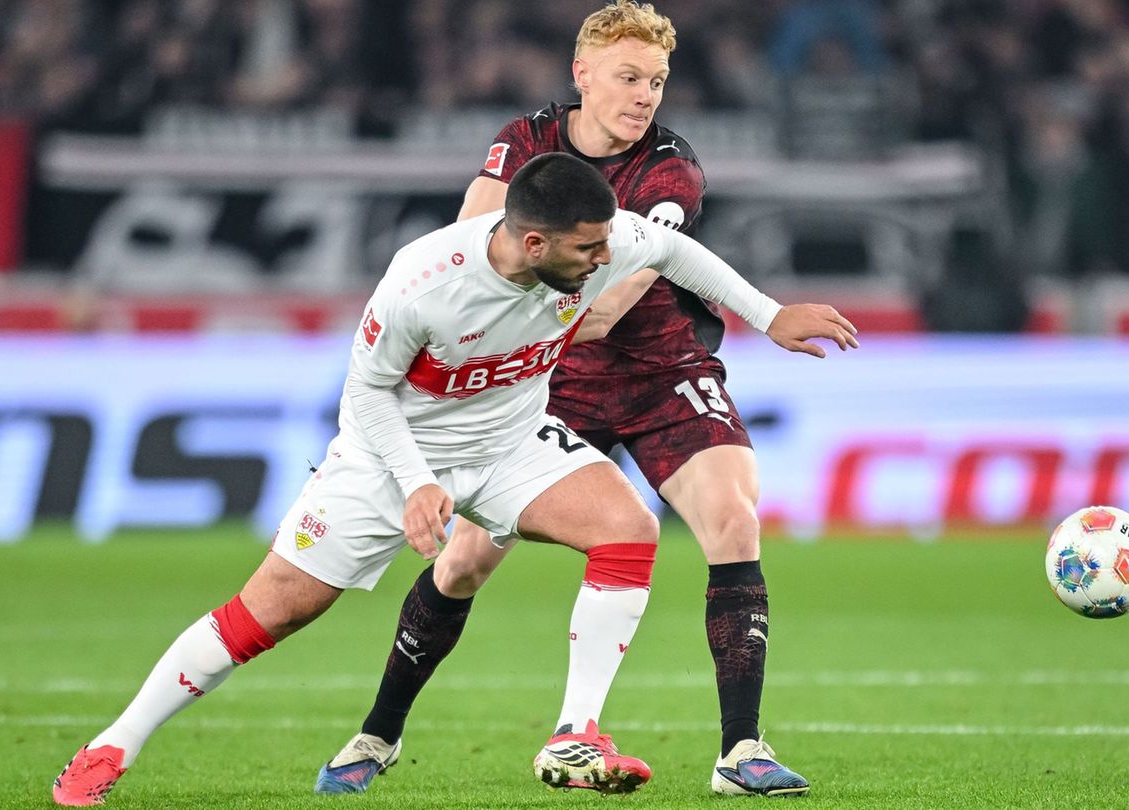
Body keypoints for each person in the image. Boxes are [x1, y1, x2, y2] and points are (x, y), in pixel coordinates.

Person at [49, 153, 857, 807]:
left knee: (628, 528)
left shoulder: (597, 242)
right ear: (533, 244)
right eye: (587, 251)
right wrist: (412, 484)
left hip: (510, 441)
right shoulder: (423, 280)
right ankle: (112, 745)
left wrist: (767, 313)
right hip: (386, 456)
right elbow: (365, 395)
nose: (604, 261)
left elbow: (675, 249)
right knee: (268, 613)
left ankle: (574, 734)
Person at [316, 0, 818, 799]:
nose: (644, 95)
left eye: (655, 80)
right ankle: (378, 732)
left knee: (733, 518)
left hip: (659, 367)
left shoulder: (670, 169)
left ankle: (741, 749)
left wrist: (490, 324)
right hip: (546, 375)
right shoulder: (523, 142)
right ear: (582, 74)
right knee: (467, 560)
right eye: (628, 77)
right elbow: (466, 243)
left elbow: (611, 304)